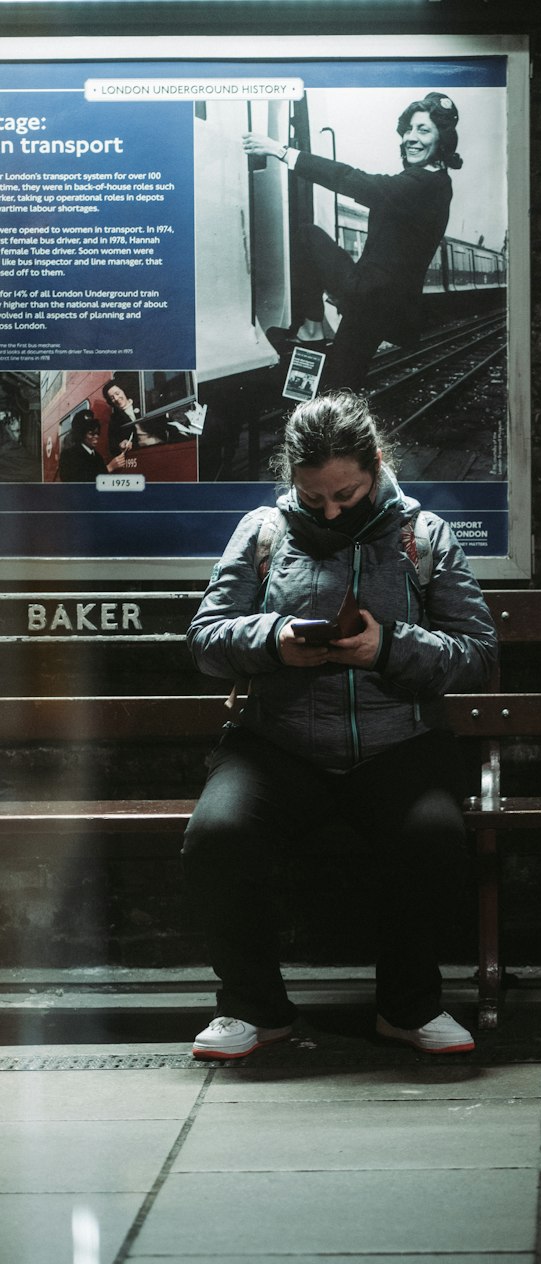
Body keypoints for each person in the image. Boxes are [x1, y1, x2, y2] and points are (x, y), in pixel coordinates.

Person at [182, 389, 497, 1060]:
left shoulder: (424, 536)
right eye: (314, 496)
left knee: (434, 837)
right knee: (217, 836)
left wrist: (389, 647)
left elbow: (477, 655)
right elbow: (207, 639)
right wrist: (274, 640)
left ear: (376, 464)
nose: (330, 510)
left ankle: (408, 1008)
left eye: (346, 495)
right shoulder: (263, 532)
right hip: (278, 744)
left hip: (397, 746)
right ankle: (253, 1010)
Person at [241, 91, 462, 391]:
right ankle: (330, 415)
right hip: (377, 298)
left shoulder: (424, 185)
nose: (411, 137)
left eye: (423, 130)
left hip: (373, 297)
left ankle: (311, 331)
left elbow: (351, 179)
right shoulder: (432, 182)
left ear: (442, 141)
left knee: (307, 235)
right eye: (409, 129)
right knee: (343, 380)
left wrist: (282, 151)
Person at [58, 410, 134, 482]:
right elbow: (75, 483)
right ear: (81, 435)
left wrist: (121, 449)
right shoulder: (68, 455)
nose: (96, 437)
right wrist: (108, 468)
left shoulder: (98, 457)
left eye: (97, 433)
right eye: (91, 434)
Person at [103, 379, 163, 456]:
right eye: (112, 398)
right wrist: (121, 444)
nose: (116, 398)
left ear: (123, 391)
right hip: (142, 452)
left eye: (117, 393)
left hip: (162, 443)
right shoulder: (115, 419)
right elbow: (112, 445)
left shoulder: (143, 403)